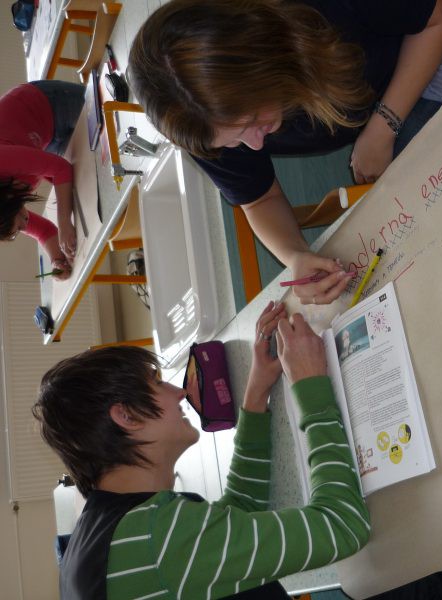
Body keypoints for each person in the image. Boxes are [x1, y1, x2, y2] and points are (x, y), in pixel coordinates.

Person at [127, 0, 442, 305]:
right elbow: (259, 199)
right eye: (233, 142)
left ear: (262, 63)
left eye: (253, 121)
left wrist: (383, 127)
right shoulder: (200, 119)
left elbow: (438, 17)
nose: (256, 145)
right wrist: (295, 256)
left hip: (425, 34)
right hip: (374, 104)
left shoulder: (321, 8)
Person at [33, 300, 370, 599]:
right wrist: (310, 385)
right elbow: (343, 524)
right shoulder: (161, 540)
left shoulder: (99, 540)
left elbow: (235, 516)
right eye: (157, 383)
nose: (179, 393)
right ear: (126, 416)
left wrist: (256, 392)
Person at [0, 80, 85, 278]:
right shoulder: (7, 207)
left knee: (114, 110)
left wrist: (64, 221)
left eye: (18, 228)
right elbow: (43, 231)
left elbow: (60, 169)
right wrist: (57, 260)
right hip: (44, 138)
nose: (24, 228)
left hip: (46, 102)